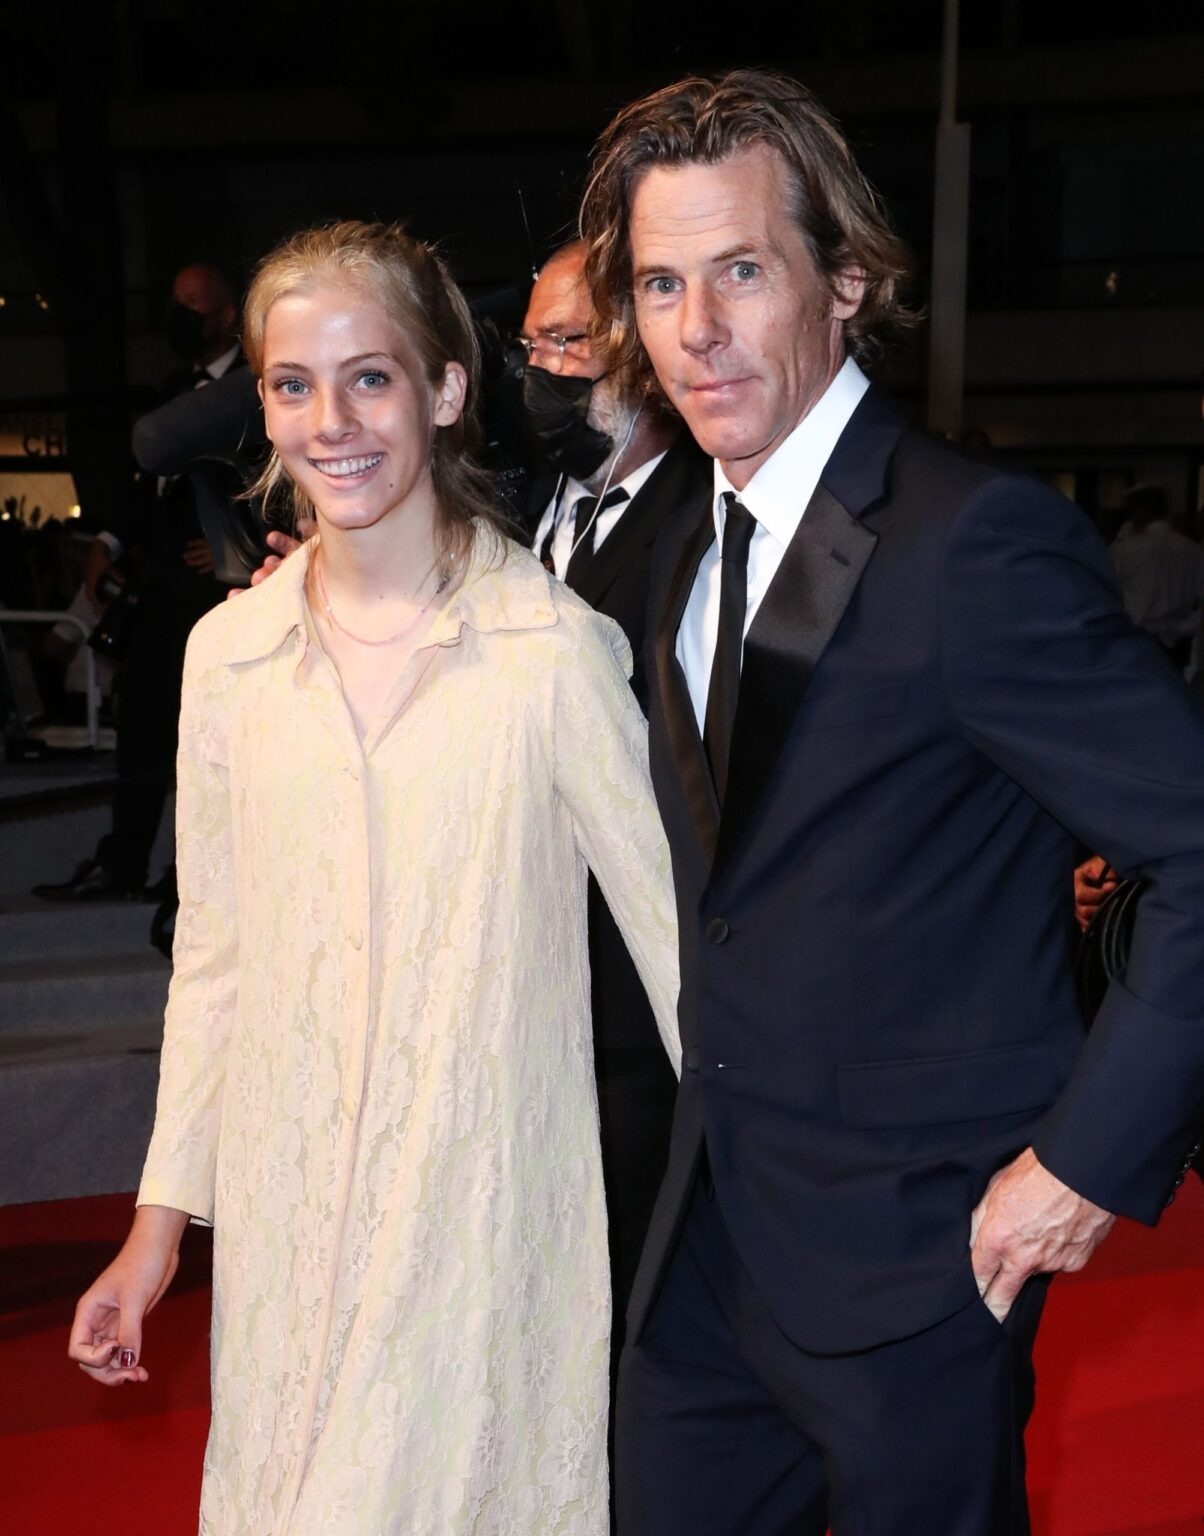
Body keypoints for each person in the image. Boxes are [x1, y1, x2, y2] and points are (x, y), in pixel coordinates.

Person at [578, 70, 1204, 1534]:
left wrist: (1081, 1162)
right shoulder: (682, 546)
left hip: (920, 1260)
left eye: (742, 270)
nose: (697, 326)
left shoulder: (972, 544)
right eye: (662, 284)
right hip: (707, 1245)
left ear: (846, 281)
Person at [68, 220, 680, 1535]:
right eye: (293, 384)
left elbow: (682, 956)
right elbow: (216, 963)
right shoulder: (229, 659)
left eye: (370, 378)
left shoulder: (550, 653)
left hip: (475, 1230)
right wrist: (157, 1230)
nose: (330, 423)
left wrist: (801, 1218)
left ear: (447, 389)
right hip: (285, 1238)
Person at [519, 241, 708, 1340]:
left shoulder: (704, 519)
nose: (540, 370)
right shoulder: (508, 506)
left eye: (567, 342)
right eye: (530, 343)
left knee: (631, 1308)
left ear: (641, 358)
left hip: (634, 997)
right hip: (520, 978)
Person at [33, 262, 242, 902]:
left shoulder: (261, 385)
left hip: (227, 598)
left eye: (194, 306)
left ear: (228, 315)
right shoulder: (173, 390)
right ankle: (123, 862)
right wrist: (107, 542)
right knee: (143, 729)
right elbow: (146, 485)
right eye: (175, 303)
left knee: (214, 743)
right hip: (164, 596)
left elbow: (281, 479)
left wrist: (235, 544)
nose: (180, 319)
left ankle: (195, 880)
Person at [1109, 481, 1204, 671]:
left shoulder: (1127, 549)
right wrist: (1182, 629)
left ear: (1138, 511)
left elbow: (1104, 586)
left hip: (1135, 638)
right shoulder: (1193, 549)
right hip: (1176, 642)